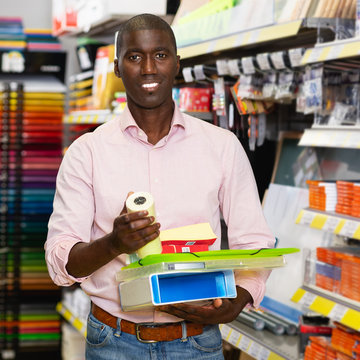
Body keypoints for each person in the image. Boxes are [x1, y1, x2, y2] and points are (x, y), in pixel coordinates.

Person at [45, 13, 275, 359]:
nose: (149, 68)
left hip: (197, 343)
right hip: (113, 341)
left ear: (177, 64)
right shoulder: (87, 153)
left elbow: (255, 242)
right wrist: (113, 243)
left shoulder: (222, 146)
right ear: (118, 68)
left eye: (161, 55)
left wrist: (238, 301)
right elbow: (61, 264)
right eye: (135, 57)